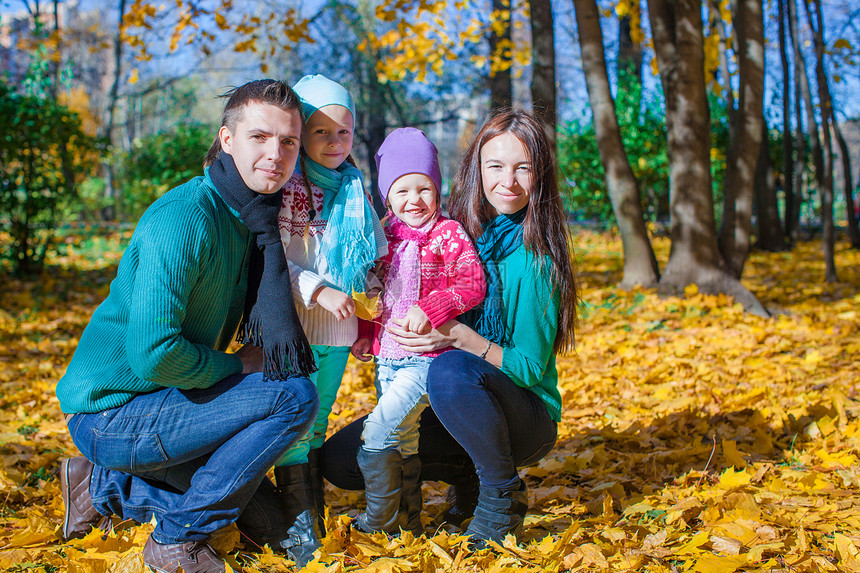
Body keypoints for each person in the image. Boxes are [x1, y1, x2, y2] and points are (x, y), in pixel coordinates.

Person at [55, 79, 322, 573]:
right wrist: (237, 364)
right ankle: (176, 538)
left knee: (268, 522)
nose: (276, 153)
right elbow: (154, 353)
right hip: (113, 409)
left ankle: (101, 485)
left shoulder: (251, 218)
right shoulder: (184, 219)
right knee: (294, 396)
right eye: (259, 137)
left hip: (168, 401)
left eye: (288, 141)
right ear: (226, 139)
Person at [319, 110, 578, 546]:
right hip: (455, 401)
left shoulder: (536, 261)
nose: (508, 181)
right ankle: (461, 480)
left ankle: (501, 500)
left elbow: (530, 368)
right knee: (343, 459)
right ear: (476, 169)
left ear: (541, 174)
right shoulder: (458, 233)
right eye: (495, 166)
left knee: (450, 369)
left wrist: (458, 336)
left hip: (523, 415)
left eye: (523, 167)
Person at [349, 128, 485, 536]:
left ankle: (378, 523)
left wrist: (433, 307)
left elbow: (471, 283)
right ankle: (406, 522)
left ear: (437, 189)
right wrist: (363, 331)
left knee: (377, 432)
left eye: (423, 188)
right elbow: (370, 286)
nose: (414, 201)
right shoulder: (382, 234)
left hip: (427, 359)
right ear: (386, 195)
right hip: (387, 357)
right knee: (402, 440)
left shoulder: (448, 233)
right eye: (402, 190)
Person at [274, 74, 386, 554]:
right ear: (302, 134)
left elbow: (369, 259)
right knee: (296, 416)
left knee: (319, 418)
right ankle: (296, 521)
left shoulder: (354, 190)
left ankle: (311, 511)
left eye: (344, 132)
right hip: (299, 321)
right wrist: (317, 289)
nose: (335, 142)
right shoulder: (291, 188)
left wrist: (368, 313)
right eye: (322, 132)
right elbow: (279, 254)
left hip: (339, 329)